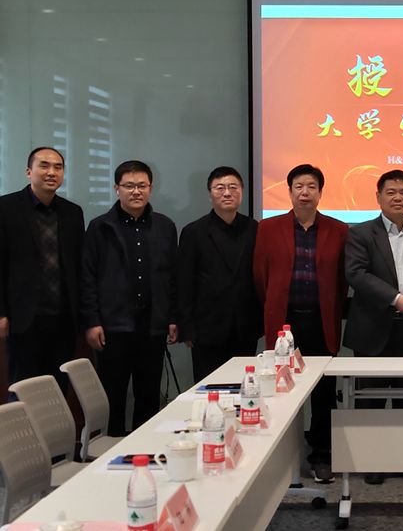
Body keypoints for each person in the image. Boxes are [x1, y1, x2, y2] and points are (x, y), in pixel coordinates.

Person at [253, 164, 348, 484]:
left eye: (311, 187)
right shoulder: (268, 228)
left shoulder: (339, 230)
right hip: (285, 323)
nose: (304, 192)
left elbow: (342, 280)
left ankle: (321, 454)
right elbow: (261, 276)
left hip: (321, 320)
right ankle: (282, 457)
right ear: (289, 191)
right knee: (281, 389)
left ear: (321, 192)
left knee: (324, 392)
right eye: (298, 186)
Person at [343, 169, 403, 485]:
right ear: (378, 197)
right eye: (391, 192)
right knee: (371, 399)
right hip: (372, 328)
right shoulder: (361, 233)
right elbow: (356, 274)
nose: (398, 198)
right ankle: (373, 461)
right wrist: (394, 298)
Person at [81, 160, 178, 436]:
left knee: (148, 395)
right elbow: (87, 278)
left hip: (152, 326)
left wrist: (172, 317)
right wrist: (92, 321)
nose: (136, 191)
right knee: (112, 395)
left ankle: (144, 449)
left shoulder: (165, 226)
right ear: (117, 189)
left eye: (142, 186)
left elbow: (173, 276)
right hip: (113, 327)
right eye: (129, 186)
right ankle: (109, 448)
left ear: (150, 188)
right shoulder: (100, 227)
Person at [0, 147, 84, 395]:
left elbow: (78, 266)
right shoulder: (6, 208)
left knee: (57, 391)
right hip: (23, 318)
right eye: (44, 166)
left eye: (58, 167)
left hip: (63, 318)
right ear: (29, 172)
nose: (51, 172)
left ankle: (55, 425)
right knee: (23, 388)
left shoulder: (72, 212)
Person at [177, 166, 261, 382]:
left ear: (242, 191)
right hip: (207, 328)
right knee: (209, 388)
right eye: (220, 188)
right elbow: (184, 282)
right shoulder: (194, 232)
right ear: (210, 194)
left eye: (233, 187)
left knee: (244, 386)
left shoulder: (255, 229)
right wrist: (186, 327)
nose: (227, 193)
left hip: (245, 325)